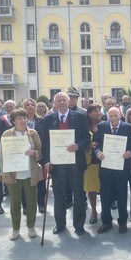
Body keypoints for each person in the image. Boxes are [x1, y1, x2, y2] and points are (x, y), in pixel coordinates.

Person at [42, 92, 90, 235]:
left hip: (76, 162)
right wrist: (46, 161)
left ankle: (79, 225)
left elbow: (87, 138)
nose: (62, 102)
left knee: (79, 195)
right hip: (57, 164)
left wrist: (78, 146)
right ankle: (60, 224)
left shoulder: (80, 116)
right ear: (54, 103)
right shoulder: (48, 119)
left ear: (69, 102)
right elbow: (45, 143)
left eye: (64, 100)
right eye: (59, 100)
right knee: (59, 195)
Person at [0, 108, 43, 241]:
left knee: (31, 202)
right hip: (13, 173)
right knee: (15, 203)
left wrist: (34, 153)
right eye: (20, 118)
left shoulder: (33, 133)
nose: (23, 120)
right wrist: (6, 173)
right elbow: (2, 155)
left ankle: (31, 227)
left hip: (30, 172)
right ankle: (15, 229)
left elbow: (40, 150)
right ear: (13, 121)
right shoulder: (7, 134)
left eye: (25, 118)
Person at [94, 107, 131, 234]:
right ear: (107, 116)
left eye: (115, 115)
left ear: (120, 115)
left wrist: (130, 153)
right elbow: (96, 143)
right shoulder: (101, 126)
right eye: (110, 116)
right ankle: (106, 221)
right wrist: (97, 152)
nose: (113, 118)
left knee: (122, 195)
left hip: (121, 168)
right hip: (105, 167)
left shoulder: (127, 127)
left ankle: (122, 222)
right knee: (105, 195)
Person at [21, 98, 45, 214]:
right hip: (23, 156)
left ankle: (41, 204)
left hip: (39, 154)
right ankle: (25, 206)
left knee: (40, 181)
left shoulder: (42, 120)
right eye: (27, 105)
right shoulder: (19, 121)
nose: (30, 106)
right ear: (23, 107)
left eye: (32, 104)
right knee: (24, 181)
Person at [84, 104, 102, 224]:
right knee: (91, 189)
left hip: (103, 160)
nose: (98, 112)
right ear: (89, 113)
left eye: (99, 110)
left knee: (104, 188)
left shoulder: (104, 124)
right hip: (90, 161)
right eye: (95, 110)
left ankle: (105, 211)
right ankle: (94, 212)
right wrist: (90, 145)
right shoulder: (84, 126)